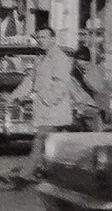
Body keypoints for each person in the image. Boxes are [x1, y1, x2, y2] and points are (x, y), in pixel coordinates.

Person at [11, 27, 74, 182]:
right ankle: (55, 174)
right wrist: (14, 96)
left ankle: (24, 175)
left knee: (40, 140)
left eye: (44, 37)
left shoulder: (60, 58)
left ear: (53, 39)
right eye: (39, 37)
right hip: (43, 110)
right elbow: (29, 81)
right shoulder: (39, 59)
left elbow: (61, 84)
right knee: (51, 145)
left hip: (54, 109)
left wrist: (49, 100)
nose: (41, 40)